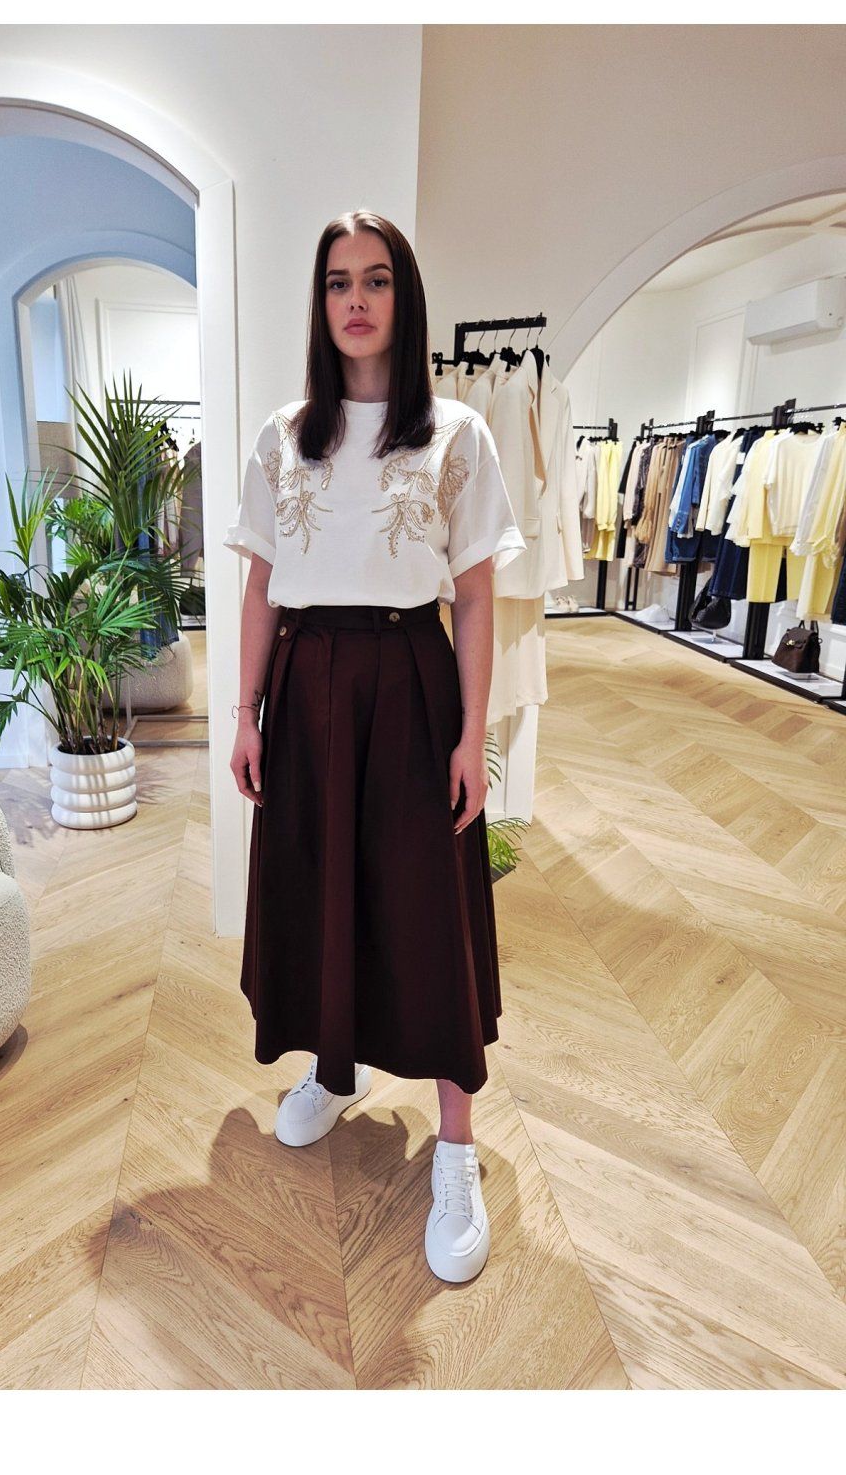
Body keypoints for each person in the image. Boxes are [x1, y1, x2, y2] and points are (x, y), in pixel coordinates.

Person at [223, 210, 524, 1283]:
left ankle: (456, 1149)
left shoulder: (455, 434)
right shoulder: (282, 437)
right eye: (338, 282)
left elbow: (475, 598)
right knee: (318, 883)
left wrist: (470, 734)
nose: (356, 300)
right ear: (320, 303)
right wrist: (245, 711)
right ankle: (333, 1067)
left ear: (405, 297)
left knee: (424, 906)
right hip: (305, 683)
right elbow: (261, 588)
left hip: (408, 679)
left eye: (377, 279)